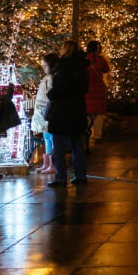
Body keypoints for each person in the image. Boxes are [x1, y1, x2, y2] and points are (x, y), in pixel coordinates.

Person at [48, 39, 91, 186]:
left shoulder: (64, 67)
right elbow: (85, 88)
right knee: (77, 146)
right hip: (77, 109)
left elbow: (59, 89)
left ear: (65, 50)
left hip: (63, 111)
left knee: (58, 146)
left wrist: (51, 94)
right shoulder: (82, 67)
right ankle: (81, 175)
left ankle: (60, 178)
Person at [30, 53, 59, 175]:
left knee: (51, 137)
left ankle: (52, 163)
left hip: (47, 111)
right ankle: (47, 163)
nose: (43, 67)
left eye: (45, 65)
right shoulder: (47, 78)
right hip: (42, 111)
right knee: (47, 137)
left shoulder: (52, 78)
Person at [85, 40, 112, 142]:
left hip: (87, 89)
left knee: (87, 113)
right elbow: (106, 69)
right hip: (99, 89)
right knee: (98, 114)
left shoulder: (85, 59)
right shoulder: (101, 60)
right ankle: (97, 135)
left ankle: (88, 133)